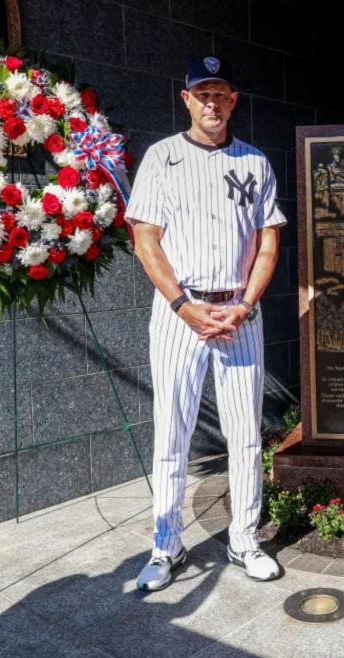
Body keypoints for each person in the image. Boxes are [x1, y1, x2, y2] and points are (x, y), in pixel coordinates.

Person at [126, 55, 288, 591]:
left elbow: (268, 243)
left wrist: (244, 304)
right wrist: (181, 305)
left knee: (245, 435)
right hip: (182, 312)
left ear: (234, 100)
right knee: (171, 432)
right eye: (203, 93)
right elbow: (145, 239)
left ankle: (244, 540)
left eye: (221, 93)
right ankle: (165, 546)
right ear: (187, 99)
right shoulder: (161, 157)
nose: (212, 102)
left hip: (241, 311)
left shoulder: (256, 162)